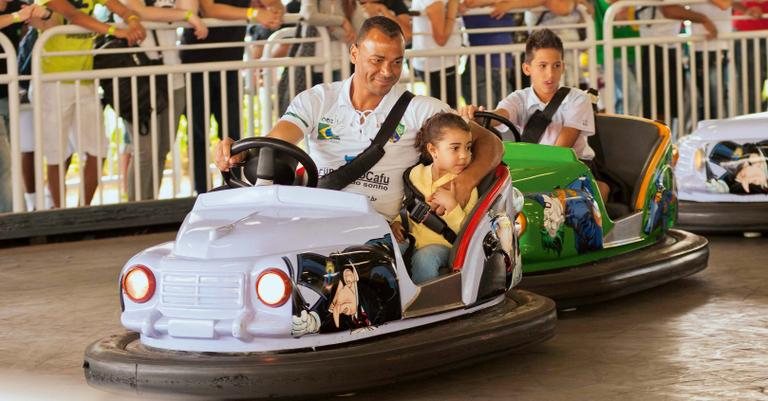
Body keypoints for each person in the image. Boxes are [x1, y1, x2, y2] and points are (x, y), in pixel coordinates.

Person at [215, 16, 502, 224]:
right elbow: (277, 141)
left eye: (397, 61)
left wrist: (464, 183)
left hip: (377, 228)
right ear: (354, 53)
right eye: (377, 60)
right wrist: (237, 152)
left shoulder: (419, 109)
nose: (388, 72)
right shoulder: (317, 100)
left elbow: (490, 142)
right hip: (318, 218)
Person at [459, 28, 608, 200]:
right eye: (542, 66)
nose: (550, 74)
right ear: (527, 68)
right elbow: (500, 114)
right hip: (534, 168)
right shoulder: (519, 99)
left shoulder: (577, 99)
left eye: (556, 66)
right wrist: (476, 115)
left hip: (572, 168)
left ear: (563, 67)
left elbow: (560, 151)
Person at [29, 0, 146, 208]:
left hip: (84, 81)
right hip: (51, 82)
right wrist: (116, 31)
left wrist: (133, 21)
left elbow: (120, 8)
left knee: (99, 149)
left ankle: (82, 212)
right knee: (56, 153)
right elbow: (75, 16)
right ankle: (61, 215)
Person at [181, 0, 283, 195]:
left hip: (231, 61)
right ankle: (201, 193)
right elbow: (209, 8)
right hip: (198, 61)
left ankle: (234, 189)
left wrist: (274, 12)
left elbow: (275, 5)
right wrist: (254, 13)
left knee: (232, 133)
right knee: (199, 133)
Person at [119, 0, 208, 201]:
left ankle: (151, 207)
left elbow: (191, 9)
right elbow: (138, 11)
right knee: (144, 152)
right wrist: (184, 16)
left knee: (161, 150)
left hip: (173, 76)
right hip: (139, 79)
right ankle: (136, 212)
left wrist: (186, 15)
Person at [390, 112, 478, 284]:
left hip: (445, 245)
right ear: (433, 150)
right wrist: (397, 222)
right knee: (387, 251)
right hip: (412, 238)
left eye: (467, 147)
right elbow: (407, 205)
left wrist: (452, 206)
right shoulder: (416, 174)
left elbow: (469, 232)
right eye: (455, 148)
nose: (464, 155)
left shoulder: (465, 186)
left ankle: (425, 305)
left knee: (425, 259)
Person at [410, 0, 463, 108]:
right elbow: (441, 38)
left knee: (446, 111)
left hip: (440, 62)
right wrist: (452, 9)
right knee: (446, 114)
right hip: (437, 64)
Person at [733, 0, 768, 114]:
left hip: (753, 34)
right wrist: (747, 9)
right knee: (750, 87)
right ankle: (752, 121)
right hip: (747, 34)